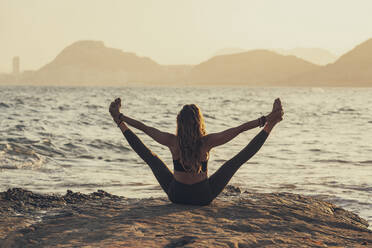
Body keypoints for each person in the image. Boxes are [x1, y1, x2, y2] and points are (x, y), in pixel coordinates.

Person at [109, 98, 283, 206]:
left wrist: (121, 118)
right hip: (202, 197)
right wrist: (265, 119)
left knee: (150, 158)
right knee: (235, 161)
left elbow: (144, 128)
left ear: (179, 123)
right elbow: (239, 129)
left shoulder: (172, 141)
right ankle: (271, 125)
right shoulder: (207, 142)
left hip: (177, 195)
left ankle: (118, 123)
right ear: (199, 122)